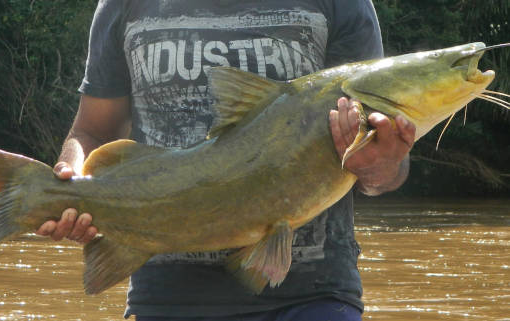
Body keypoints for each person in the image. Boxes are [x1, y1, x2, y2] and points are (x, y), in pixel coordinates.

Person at [36, 0, 415, 319]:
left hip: (314, 298)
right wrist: (71, 184)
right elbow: (91, 132)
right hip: (168, 299)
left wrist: (380, 165)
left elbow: (382, 172)